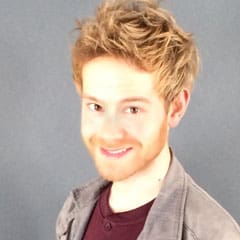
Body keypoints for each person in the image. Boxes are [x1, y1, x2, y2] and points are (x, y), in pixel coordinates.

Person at [56, 0, 240, 239]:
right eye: (96, 106)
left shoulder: (214, 233)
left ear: (175, 107)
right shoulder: (74, 212)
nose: (110, 133)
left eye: (132, 109)